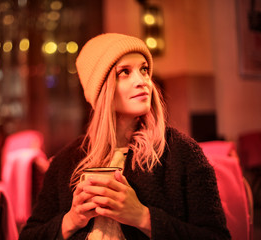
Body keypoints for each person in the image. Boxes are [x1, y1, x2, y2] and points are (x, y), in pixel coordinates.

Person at [19, 33, 231, 240]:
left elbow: (216, 236)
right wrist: (72, 220)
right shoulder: (67, 162)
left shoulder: (181, 153)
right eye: (125, 72)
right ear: (101, 89)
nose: (143, 81)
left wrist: (143, 217)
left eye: (144, 70)